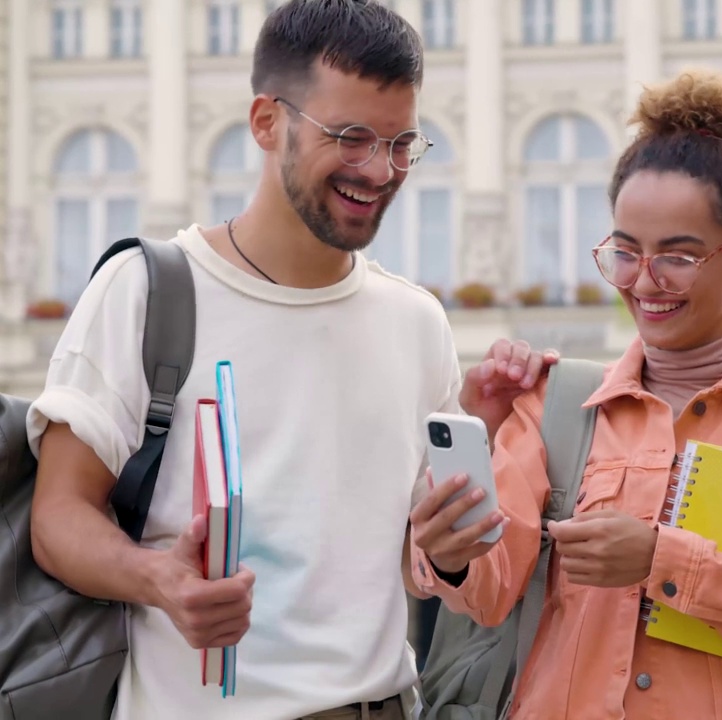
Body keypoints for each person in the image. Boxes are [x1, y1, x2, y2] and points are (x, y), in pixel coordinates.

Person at [26, 2, 498, 718]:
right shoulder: (148, 291)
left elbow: (408, 558)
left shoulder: (418, 322)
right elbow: (57, 516)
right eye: (351, 137)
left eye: (403, 143)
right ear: (266, 122)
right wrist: (160, 579)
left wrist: (446, 546)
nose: (380, 170)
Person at [407, 68, 722, 719]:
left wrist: (667, 560)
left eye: (678, 256)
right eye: (625, 252)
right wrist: (451, 554)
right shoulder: (554, 405)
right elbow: (489, 594)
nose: (644, 281)